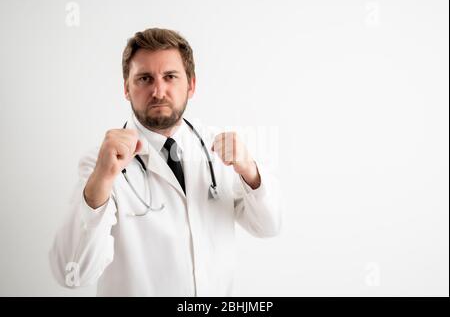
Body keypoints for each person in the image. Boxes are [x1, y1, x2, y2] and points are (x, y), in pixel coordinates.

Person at [49, 28, 281, 296]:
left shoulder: (220, 151)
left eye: (170, 77)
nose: (158, 91)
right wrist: (101, 179)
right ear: (126, 88)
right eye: (144, 78)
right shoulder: (101, 165)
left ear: (191, 85)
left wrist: (250, 172)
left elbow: (269, 226)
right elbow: (73, 274)